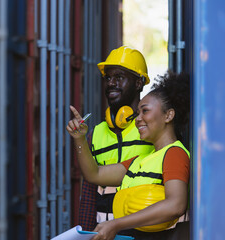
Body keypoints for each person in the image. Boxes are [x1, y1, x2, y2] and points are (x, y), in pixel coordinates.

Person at [67, 70, 190, 240]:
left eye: (144, 111)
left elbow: (175, 205)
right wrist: (79, 139)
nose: (137, 119)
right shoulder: (140, 161)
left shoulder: (174, 153)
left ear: (168, 115)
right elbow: (93, 174)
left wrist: (116, 224)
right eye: (138, 113)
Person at [78, 46, 154, 231]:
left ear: (138, 83)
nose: (111, 83)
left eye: (119, 77)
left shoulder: (154, 128)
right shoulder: (95, 134)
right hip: (105, 233)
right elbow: (89, 196)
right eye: (108, 78)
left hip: (145, 232)